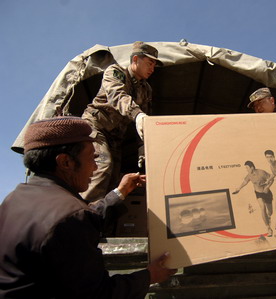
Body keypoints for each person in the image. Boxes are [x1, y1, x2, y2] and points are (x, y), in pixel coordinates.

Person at [0, 116, 176, 299]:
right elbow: (101, 294)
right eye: (92, 158)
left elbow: (77, 223)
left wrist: (120, 192)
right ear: (65, 162)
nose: (94, 168)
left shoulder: (13, 201)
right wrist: (150, 276)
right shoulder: (69, 216)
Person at [81, 41, 163, 202]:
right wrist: (137, 115)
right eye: (149, 63)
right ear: (135, 60)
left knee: (113, 179)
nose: (152, 68)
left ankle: (103, 220)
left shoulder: (146, 89)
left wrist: (142, 145)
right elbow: (117, 96)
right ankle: (84, 216)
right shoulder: (115, 72)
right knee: (102, 167)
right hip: (96, 126)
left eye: (154, 65)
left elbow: (146, 118)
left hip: (116, 137)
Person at [232, 161, 275, 236]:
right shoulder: (249, 175)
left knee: (270, 212)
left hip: (267, 193)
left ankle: (268, 217)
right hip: (258, 193)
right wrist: (239, 188)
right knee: (262, 208)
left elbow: (272, 179)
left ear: (252, 167)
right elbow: (245, 182)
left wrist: (267, 187)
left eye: (247, 168)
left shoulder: (261, 172)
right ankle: (268, 228)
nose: (246, 169)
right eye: (245, 168)